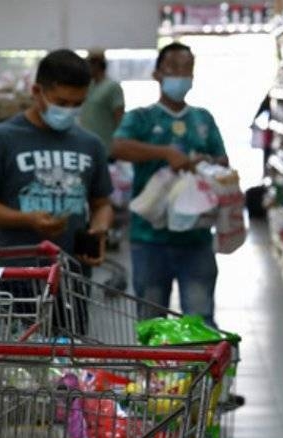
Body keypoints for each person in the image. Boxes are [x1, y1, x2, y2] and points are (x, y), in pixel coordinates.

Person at [112, 42, 228, 326]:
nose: (181, 74)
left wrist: (205, 162)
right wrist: (164, 153)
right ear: (157, 74)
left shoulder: (203, 119)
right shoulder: (140, 118)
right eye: (174, 67)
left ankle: (199, 370)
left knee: (201, 319)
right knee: (151, 320)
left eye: (187, 68)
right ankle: (154, 371)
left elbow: (223, 161)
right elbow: (118, 147)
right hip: (149, 238)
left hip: (196, 237)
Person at [0, 49, 113, 265]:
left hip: (74, 274)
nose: (69, 111)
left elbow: (102, 204)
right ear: (37, 92)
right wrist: (27, 219)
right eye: (61, 103)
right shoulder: (2, 138)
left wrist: (99, 230)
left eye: (77, 104)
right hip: (18, 272)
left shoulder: (90, 144)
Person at [78, 48, 125, 151]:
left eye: (89, 64)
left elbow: (119, 119)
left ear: (98, 65)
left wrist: (119, 144)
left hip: (105, 147)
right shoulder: (88, 86)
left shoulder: (112, 87)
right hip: (86, 145)